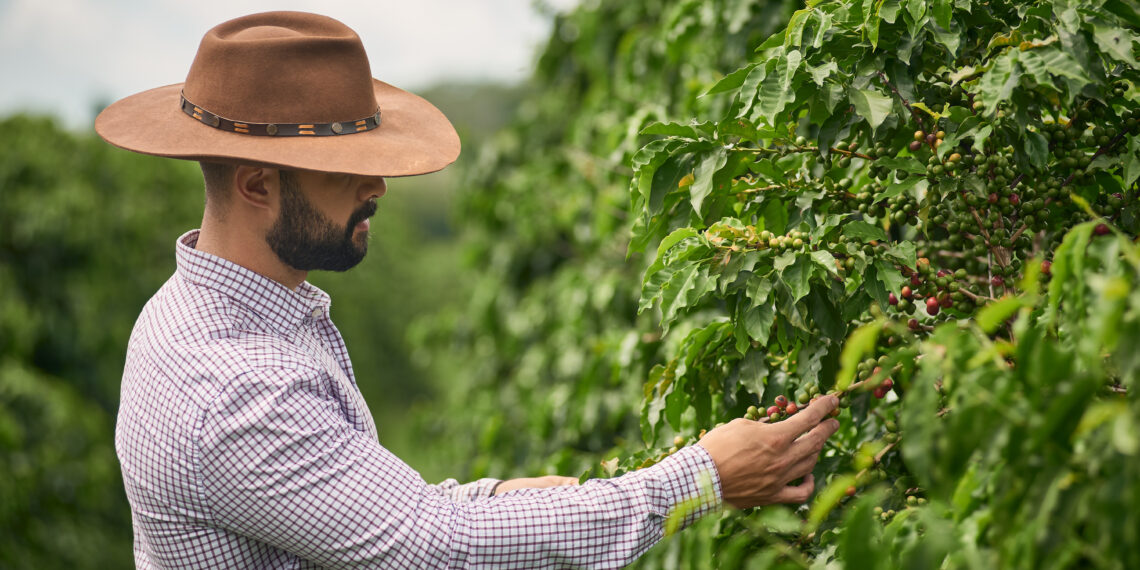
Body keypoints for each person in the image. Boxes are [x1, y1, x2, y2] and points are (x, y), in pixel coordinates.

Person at [96, 11, 840, 569]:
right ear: (258, 184)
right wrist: (699, 478)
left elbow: (364, 512)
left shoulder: (199, 310)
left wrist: (511, 498)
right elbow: (431, 549)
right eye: (346, 170)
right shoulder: (235, 386)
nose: (378, 185)